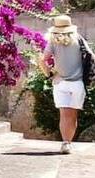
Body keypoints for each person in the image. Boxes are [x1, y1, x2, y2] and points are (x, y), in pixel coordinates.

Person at [39, 15, 91, 154]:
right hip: (77, 83)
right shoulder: (78, 39)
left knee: (64, 114)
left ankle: (65, 143)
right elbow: (92, 57)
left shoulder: (52, 42)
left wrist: (48, 73)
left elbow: (43, 60)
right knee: (72, 115)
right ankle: (69, 143)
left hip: (60, 82)